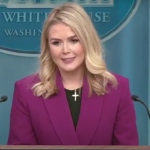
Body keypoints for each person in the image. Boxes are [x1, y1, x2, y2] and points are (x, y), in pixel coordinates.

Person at [7, 3, 139, 145]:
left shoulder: (117, 88)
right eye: (56, 43)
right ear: (48, 47)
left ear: (87, 41)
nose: (65, 50)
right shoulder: (26, 91)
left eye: (74, 40)